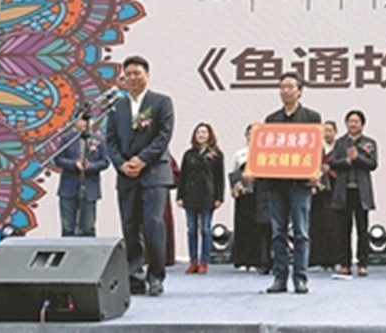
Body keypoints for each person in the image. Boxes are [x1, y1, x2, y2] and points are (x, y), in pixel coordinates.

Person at [106, 55, 175, 296]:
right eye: (128, 74)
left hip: (154, 173)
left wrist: (142, 160)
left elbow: (163, 136)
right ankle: (134, 275)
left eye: (137, 73)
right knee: (130, 225)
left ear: (147, 75)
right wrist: (121, 164)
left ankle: (156, 276)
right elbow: (110, 140)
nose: (133, 78)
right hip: (126, 174)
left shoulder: (161, 102)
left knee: (153, 224)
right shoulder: (116, 106)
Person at [264, 71, 322, 294]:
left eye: (290, 87)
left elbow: (316, 149)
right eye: (282, 87)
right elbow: (265, 151)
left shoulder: (311, 117)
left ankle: (300, 278)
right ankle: (280, 278)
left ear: (300, 91)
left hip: (301, 184)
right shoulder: (272, 120)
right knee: (277, 233)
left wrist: (315, 171)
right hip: (276, 184)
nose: (285, 91)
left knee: (301, 233)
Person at [331, 110, 378, 276]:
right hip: (344, 191)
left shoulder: (369, 143)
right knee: (343, 229)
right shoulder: (340, 143)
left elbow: (373, 164)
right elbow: (333, 163)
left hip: (361, 192)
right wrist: (347, 161)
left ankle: (362, 263)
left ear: (362, 124)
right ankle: (345, 263)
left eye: (356, 121)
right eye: (350, 121)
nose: (353, 124)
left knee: (362, 229)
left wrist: (357, 158)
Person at [176, 122, 225, 275]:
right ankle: (193, 261)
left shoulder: (216, 154)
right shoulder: (188, 154)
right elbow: (183, 176)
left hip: (208, 196)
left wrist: (219, 197)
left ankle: (204, 261)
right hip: (190, 195)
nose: (201, 135)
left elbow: (219, 177)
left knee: (205, 229)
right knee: (191, 229)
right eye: (198, 132)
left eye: (204, 132)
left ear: (209, 135)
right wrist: (180, 196)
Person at [55, 116, 110, 237]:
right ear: (76, 122)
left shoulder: (98, 139)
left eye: (88, 120)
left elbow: (105, 161)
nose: (85, 123)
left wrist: (90, 166)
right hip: (68, 188)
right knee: (67, 227)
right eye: (82, 119)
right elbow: (58, 159)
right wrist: (74, 164)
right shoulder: (67, 139)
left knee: (88, 227)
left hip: (90, 188)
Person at [230, 124, 271, 273]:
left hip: (259, 194)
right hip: (243, 195)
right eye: (249, 134)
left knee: (257, 227)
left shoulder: (265, 153)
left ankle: (256, 260)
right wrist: (234, 189)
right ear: (246, 136)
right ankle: (241, 260)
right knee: (242, 226)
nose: (251, 136)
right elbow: (234, 174)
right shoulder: (239, 154)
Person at [309, 120, 342, 271]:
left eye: (330, 131)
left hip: (335, 189)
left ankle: (335, 260)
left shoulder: (340, 148)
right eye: (325, 131)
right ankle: (317, 259)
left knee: (335, 225)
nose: (327, 134)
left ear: (335, 132)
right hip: (318, 191)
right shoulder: (316, 148)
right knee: (317, 224)